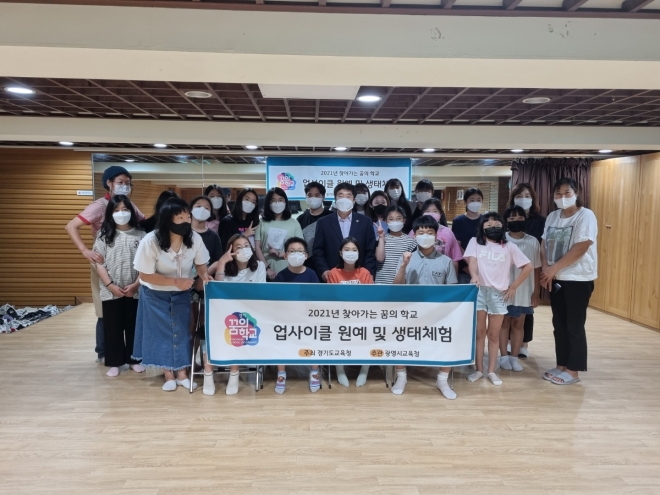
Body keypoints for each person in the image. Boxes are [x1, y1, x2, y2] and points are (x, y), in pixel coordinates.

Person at [65, 165, 145, 364]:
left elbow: (143, 223)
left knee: (131, 311)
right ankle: (105, 352)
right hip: (105, 261)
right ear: (109, 183)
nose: (124, 186)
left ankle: (132, 355)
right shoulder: (99, 205)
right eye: (120, 182)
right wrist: (85, 250)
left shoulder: (129, 204)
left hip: (130, 263)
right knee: (106, 310)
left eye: (128, 183)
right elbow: (71, 225)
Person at [132, 198, 212, 392]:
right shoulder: (150, 240)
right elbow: (145, 274)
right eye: (180, 217)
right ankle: (168, 374)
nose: (186, 221)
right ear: (168, 219)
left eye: (187, 217)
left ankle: (182, 373)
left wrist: (204, 275)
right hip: (154, 294)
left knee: (183, 331)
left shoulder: (194, 238)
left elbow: (201, 263)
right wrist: (175, 281)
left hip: (181, 294)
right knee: (162, 334)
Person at [463, 212, 532, 386]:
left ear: (503, 227)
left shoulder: (509, 246)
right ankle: (479, 370)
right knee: (479, 333)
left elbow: (528, 266)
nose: (492, 227)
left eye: (496, 225)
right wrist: (474, 275)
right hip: (479, 291)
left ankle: (492, 371)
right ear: (482, 228)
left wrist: (514, 286)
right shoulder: (475, 242)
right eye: (488, 225)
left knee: (494, 335)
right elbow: (472, 261)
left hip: (499, 294)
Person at [392, 215, 457, 398]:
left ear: (436, 235)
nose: (425, 236)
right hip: (409, 312)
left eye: (429, 232)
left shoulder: (446, 261)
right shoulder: (406, 258)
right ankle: (401, 377)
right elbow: (396, 288)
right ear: (414, 235)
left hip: (438, 313)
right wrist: (403, 266)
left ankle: (442, 380)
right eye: (421, 232)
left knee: (447, 339)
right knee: (399, 339)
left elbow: (452, 291)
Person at [541, 177, 597, 386]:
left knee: (574, 325)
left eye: (567, 192)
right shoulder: (553, 216)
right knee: (559, 324)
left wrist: (553, 268)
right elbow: (544, 244)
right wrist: (546, 270)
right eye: (558, 193)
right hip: (556, 278)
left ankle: (573, 370)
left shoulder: (585, 215)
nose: (562, 197)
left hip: (578, 278)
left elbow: (581, 246)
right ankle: (561, 365)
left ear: (576, 194)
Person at [205, 234, 267, 396]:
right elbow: (217, 291)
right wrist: (221, 264)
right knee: (213, 331)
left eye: (246, 246)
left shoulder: (259, 266)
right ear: (230, 251)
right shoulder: (224, 266)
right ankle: (208, 373)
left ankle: (234, 373)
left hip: (249, 314)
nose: (244, 249)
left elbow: (260, 292)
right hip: (222, 313)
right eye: (238, 247)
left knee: (238, 330)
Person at [92, 195, 146, 377]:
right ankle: (115, 362)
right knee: (112, 327)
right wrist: (110, 285)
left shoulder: (141, 235)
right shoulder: (103, 236)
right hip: (111, 291)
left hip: (135, 290)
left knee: (134, 326)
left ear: (131, 212)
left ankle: (134, 360)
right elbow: (99, 263)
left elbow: (146, 264)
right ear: (110, 213)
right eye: (116, 210)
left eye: (125, 209)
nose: (121, 213)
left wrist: (136, 284)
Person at [273, 237, 321, 394]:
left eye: (300, 251)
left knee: (315, 337)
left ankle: (314, 372)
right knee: (280, 338)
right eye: (292, 251)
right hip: (286, 319)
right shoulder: (281, 276)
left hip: (308, 319)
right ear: (285, 255)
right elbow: (276, 302)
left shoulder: (312, 274)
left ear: (306, 255)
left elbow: (317, 299)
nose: (296, 254)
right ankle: (281, 374)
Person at [498, 206, 541, 373]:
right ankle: (503, 357)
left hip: (524, 290)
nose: (516, 221)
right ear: (506, 221)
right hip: (503, 289)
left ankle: (514, 358)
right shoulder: (501, 239)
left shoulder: (533, 241)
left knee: (518, 324)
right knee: (503, 323)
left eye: (520, 218)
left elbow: (536, 268)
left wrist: (536, 293)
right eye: (512, 218)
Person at [506, 183, 546, 358]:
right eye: (519, 196)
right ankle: (508, 345)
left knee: (525, 313)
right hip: (509, 275)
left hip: (529, 271)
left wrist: (537, 291)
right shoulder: (507, 221)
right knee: (507, 316)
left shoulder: (540, 221)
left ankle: (524, 344)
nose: (523, 199)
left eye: (527, 196)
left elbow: (539, 256)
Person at [327, 237, 373, 387]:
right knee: (335, 335)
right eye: (347, 250)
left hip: (362, 316)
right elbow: (331, 299)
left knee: (368, 335)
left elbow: (370, 298)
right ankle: (339, 369)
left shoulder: (364, 273)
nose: (350, 253)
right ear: (341, 253)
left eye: (354, 250)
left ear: (359, 253)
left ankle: (364, 370)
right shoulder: (333, 273)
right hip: (339, 317)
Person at [313, 182, 377, 281]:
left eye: (348, 196)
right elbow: (318, 250)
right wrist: (324, 270)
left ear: (354, 200)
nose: (344, 199)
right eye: (341, 196)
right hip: (332, 276)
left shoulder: (365, 221)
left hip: (359, 276)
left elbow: (370, 250)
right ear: (335, 199)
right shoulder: (323, 222)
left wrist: (369, 273)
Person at [255, 187, 304, 280]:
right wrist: (266, 268)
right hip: (265, 270)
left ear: (285, 202)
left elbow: (300, 248)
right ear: (268, 203)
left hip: (289, 270)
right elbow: (257, 247)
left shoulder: (294, 223)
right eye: (273, 200)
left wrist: (280, 254)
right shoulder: (261, 222)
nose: (277, 203)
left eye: (280, 200)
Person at [409, 198, 463, 276]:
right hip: (418, 274)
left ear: (440, 213)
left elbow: (455, 258)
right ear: (422, 213)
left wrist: (454, 278)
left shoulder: (448, 232)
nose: (431, 214)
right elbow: (408, 255)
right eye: (427, 211)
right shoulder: (414, 232)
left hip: (442, 274)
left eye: (435, 211)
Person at [297, 181, 333, 276]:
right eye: (310, 195)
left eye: (317, 195)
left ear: (323, 197)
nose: (313, 198)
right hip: (306, 266)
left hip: (327, 266)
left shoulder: (332, 217)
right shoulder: (300, 219)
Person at [375, 205, 416, 284]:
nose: (395, 221)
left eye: (398, 218)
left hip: (401, 283)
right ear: (386, 221)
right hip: (382, 282)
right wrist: (381, 238)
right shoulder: (380, 239)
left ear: (404, 220)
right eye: (391, 219)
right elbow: (380, 258)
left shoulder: (411, 242)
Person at [452, 187, 484, 284]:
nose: (475, 202)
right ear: (465, 202)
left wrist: (477, 266)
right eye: (472, 200)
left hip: (483, 266)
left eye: (478, 200)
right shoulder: (458, 221)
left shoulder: (485, 220)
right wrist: (470, 264)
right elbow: (457, 245)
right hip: (464, 267)